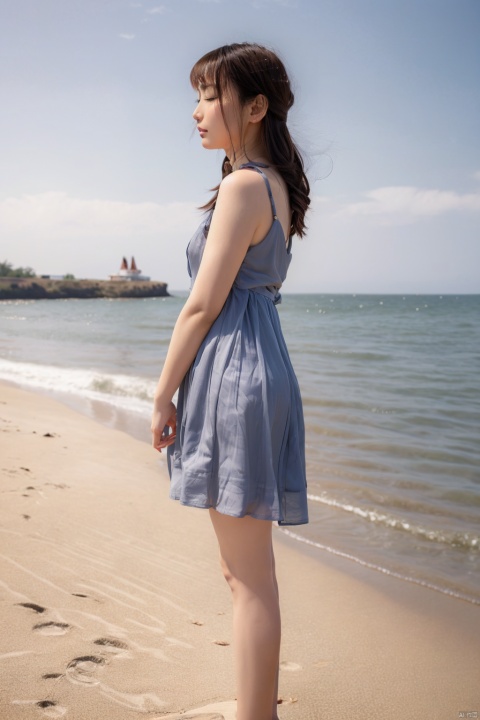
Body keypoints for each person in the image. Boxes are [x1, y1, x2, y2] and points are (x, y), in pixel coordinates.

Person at [151, 42, 310, 720]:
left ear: (255, 106)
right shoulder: (263, 180)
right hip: (260, 363)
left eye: (210, 96)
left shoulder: (246, 185)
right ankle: (256, 706)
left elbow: (201, 304)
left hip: (234, 371)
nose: (196, 111)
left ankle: (255, 715)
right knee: (247, 573)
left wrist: (161, 394)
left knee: (248, 579)